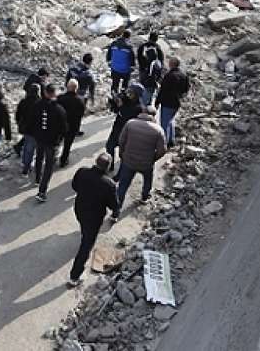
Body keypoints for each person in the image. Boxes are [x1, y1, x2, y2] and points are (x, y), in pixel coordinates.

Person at [68, 154, 118, 287]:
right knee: (86, 245)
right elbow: (113, 205)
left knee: (84, 228)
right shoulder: (109, 184)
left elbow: (74, 186)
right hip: (94, 217)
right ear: (107, 167)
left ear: (96, 162)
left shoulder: (82, 172)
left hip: (79, 209)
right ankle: (74, 276)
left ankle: (84, 233)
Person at [113, 106, 167, 221]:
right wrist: (153, 159)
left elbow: (121, 141)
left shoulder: (130, 123)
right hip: (146, 163)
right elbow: (162, 150)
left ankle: (115, 213)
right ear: (154, 116)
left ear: (142, 112)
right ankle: (144, 197)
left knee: (122, 186)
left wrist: (122, 154)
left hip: (128, 161)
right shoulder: (158, 130)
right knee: (147, 180)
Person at [30, 83, 67, 202]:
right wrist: (60, 139)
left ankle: (37, 178)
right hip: (52, 141)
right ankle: (42, 191)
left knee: (39, 157)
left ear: (45, 92)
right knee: (49, 165)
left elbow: (32, 121)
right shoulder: (59, 109)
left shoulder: (37, 105)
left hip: (39, 138)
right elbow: (64, 128)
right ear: (54, 93)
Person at [104, 87, 143, 172]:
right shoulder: (125, 100)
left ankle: (121, 173)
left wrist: (120, 105)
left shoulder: (138, 107)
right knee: (109, 146)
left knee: (123, 154)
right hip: (117, 129)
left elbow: (126, 114)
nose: (128, 94)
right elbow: (116, 110)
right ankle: (110, 165)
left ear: (136, 95)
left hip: (127, 132)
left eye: (131, 93)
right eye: (129, 92)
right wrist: (113, 100)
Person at [155, 57, 190, 148]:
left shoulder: (169, 75)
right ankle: (171, 140)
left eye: (169, 62)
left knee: (165, 124)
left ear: (171, 64)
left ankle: (164, 144)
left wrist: (157, 102)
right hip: (177, 102)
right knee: (171, 121)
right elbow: (186, 89)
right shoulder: (184, 75)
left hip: (167, 102)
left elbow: (163, 90)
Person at [57, 79, 86, 168]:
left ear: (67, 87)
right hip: (72, 127)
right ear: (76, 88)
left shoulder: (60, 98)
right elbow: (81, 114)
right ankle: (63, 161)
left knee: (56, 142)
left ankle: (52, 158)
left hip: (60, 125)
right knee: (67, 145)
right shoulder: (80, 100)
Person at [15, 83, 42, 176]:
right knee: (30, 149)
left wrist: (19, 123)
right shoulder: (40, 103)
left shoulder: (23, 101)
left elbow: (17, 115)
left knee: (27, 145)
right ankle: (26, 168)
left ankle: (24, 162)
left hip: (25, 128)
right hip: (34, 130)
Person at [137, 32, 165, 106]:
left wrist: (142, 67)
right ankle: (147, 105)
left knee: (142, 87)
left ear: (149, 38)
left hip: (143, 71)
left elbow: (138, 58)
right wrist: (159, 75)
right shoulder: (157, 48)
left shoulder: (142, 46)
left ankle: (140, 104)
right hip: (153, 73)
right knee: (150, 90)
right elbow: (160, 62)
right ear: (156, 39)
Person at [106, 30, 135, 94]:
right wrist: (132, 68)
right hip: (125, 70)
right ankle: (123, 94)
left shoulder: (113, 44)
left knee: (115, 84)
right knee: (125, 84)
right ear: (129, 37)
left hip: (115, 68)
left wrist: (109, 63)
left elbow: (108, 55)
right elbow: (132, 60)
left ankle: (113, 95)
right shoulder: (129, 47)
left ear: (122, 35)